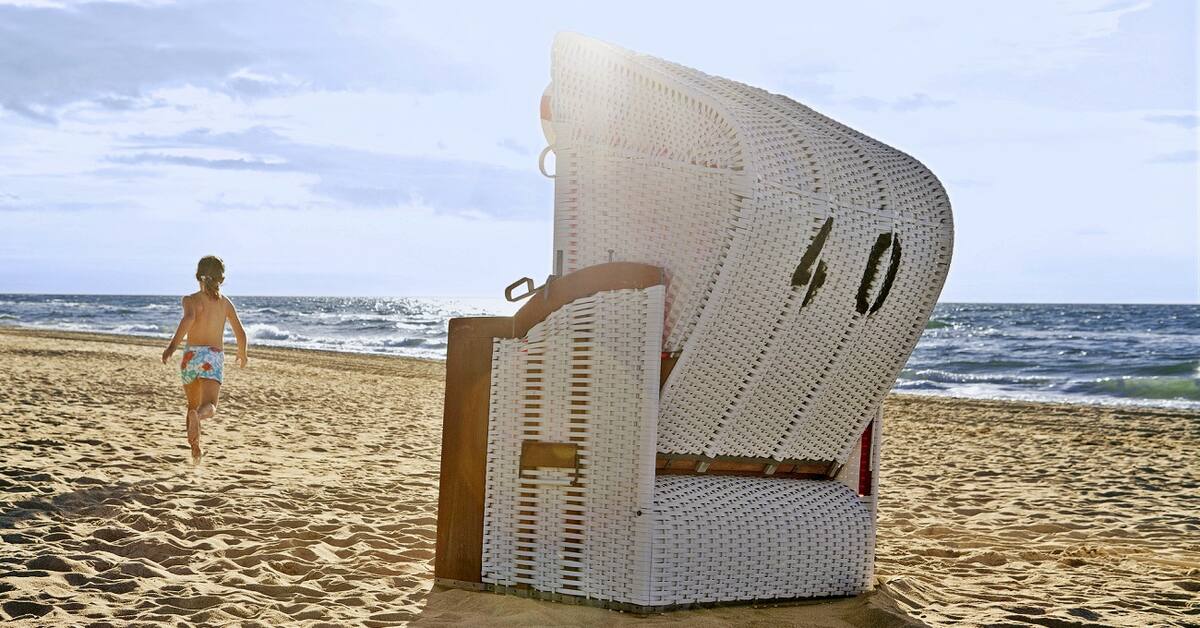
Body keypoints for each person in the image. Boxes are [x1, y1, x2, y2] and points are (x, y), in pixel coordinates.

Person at [161, 255, 248, 462]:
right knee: (209, 406)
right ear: (221, 279)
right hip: (212, 356)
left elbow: (188, 319)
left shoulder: (190, 300)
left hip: (191, 356)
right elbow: (240, 332)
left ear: (197, 275)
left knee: (191, 405)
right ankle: (199, 418)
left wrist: (172, 346)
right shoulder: (225, 304)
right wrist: (242, 352)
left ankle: (195, 449)